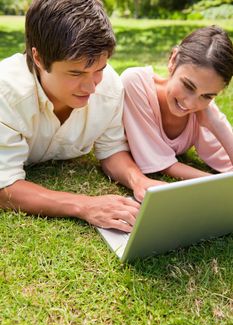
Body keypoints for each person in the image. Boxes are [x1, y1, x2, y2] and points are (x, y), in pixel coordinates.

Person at [0, 0, 163, 233]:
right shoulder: (6, 92)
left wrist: (139, 181)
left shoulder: (110, 88)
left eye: (99, 69)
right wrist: (85, 205)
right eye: (76, 72)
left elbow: (112, 150)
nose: (91, 87)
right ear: (38, 58)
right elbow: (4, 188)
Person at [121, 26, 233, 181]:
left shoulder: (202, 110)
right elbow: (158, 161)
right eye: (188, 86)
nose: (191, 103)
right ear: (173, 60)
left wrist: (217, 123)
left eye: (207, 96)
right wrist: (215, 183)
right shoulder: (135, 83)